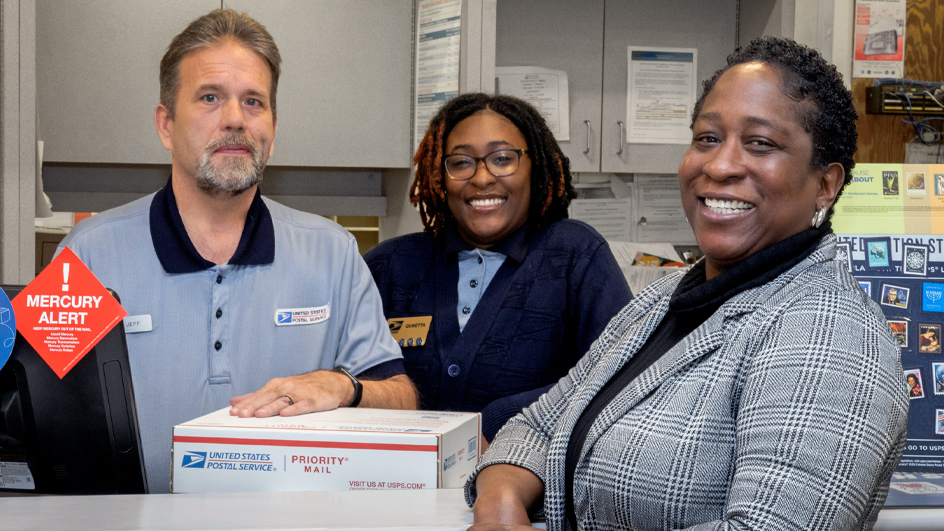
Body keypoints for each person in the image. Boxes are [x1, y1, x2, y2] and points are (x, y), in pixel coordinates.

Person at [466, 37, 908, 530]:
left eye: (760, 143)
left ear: (825, 184)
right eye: (707, 138)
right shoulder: (662, 302)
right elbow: (535, 425)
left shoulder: (831, 332)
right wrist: (501, 506)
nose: (719, 166)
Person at [57, 9, 416, 493]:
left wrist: (345, 388)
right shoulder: (87, 255)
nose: (234, 120)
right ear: (166, 124)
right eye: (210, 98)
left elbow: (403, 399)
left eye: (253, 102)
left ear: (273, 125)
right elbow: (36, 418)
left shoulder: (332, 253)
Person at [365, 94, 631, 444]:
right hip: (395, 488)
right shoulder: (390, 265)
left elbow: (621, 374)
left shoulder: (574, 255)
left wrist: (500, 421)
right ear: (439, 176)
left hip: (525, 493)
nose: (481, 178)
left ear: (534, 166)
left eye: (503, 159)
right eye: (461, 162)